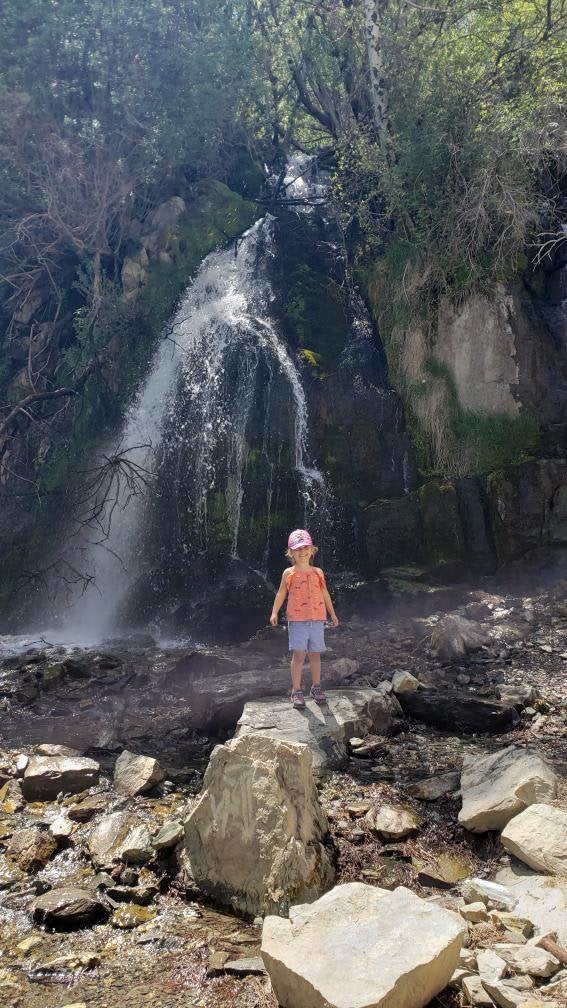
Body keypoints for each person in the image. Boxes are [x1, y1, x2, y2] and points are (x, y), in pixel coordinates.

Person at [269, 529, 339, 709]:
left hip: (317, 619)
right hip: (297, 620)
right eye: (298, 549)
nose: (303, 552)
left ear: (312, 550)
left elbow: (324, 593)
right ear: (291, 552)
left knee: (315, 655)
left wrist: (332, 614)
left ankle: (316, 687)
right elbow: (281, 593)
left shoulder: (318, 572)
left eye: (306, 547)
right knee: (299, 655)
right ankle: (296, 690)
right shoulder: (288, 573)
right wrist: (274, 612)